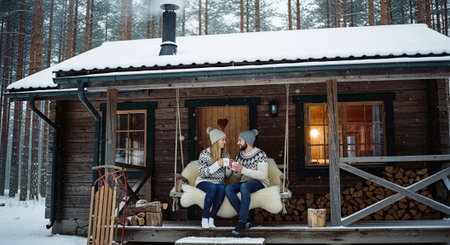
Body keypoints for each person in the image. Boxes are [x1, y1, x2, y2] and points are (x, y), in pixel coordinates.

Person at [225, 129, 269, 235]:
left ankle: (241, 221)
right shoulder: (239, 155)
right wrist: (235, 171)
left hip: (259, 182)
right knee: (228, 189)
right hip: (245, 182)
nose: (237, 143)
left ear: (247, 141)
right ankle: (247, 218)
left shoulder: (260, 154)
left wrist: (243, 169)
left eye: (240, 140)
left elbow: (263, 175)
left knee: (244, 186)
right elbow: (239, 175)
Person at [195, 127, 232, 229]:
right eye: (223, 140)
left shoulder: (226, 154)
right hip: (203, 181)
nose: (225, 142)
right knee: (212, 187)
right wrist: (217, 164)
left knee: (221, 188)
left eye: (225, 139)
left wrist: (229, 168)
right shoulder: (205, 153)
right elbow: (202, 173)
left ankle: (212, 218)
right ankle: (205, 217)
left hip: (218, 182)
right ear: (216, 141)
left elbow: (226, 176)